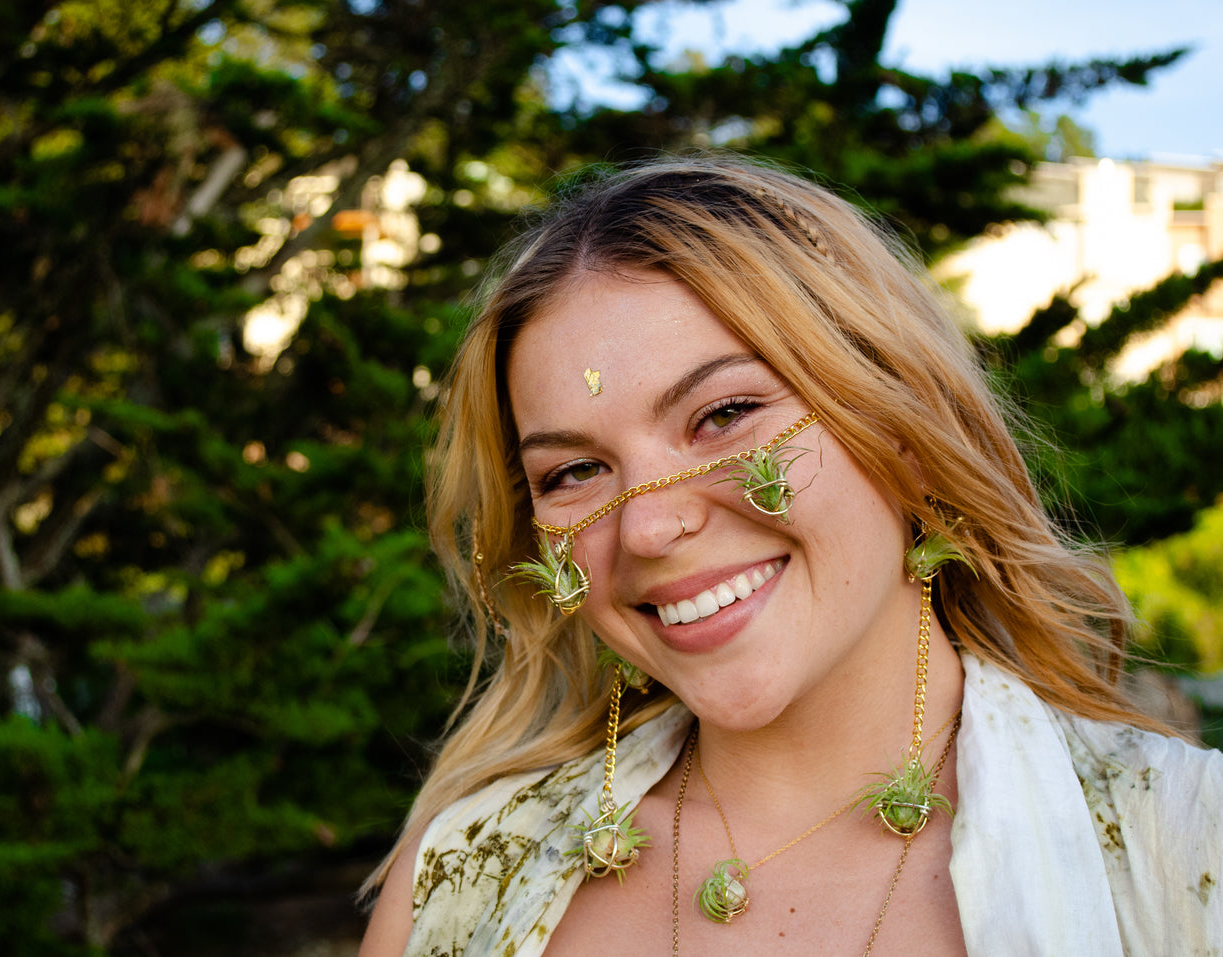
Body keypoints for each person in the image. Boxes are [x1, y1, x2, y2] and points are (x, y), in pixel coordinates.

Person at [358, 157, 1223, 956]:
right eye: (576, 470)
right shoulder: (457, 878)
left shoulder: (1188, 846)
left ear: (902, 428)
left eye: (724, 413)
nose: (649, 529)